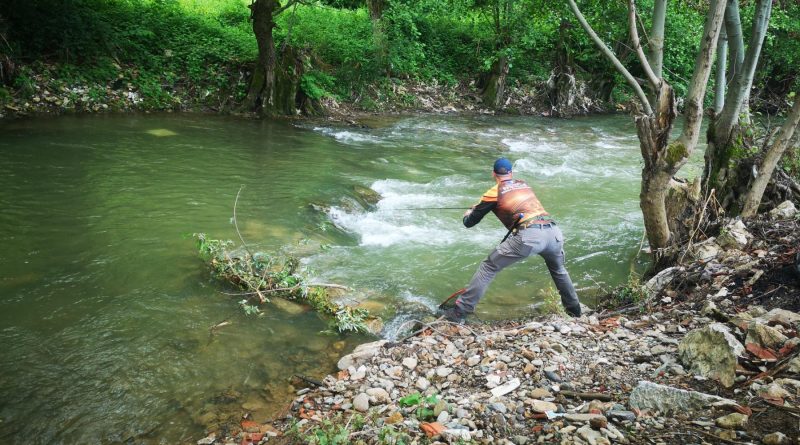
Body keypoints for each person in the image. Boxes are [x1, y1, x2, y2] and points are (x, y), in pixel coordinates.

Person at [440, 157, 582, 323]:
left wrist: (469, 213)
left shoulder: (493, 193)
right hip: (553, 232)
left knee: (489, 266)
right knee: (558, 269)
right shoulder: (523, 184)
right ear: (511, 173)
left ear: (493, 174)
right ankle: (575, 311)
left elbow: (469, 222)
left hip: (530, 236)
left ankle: (459, 312)